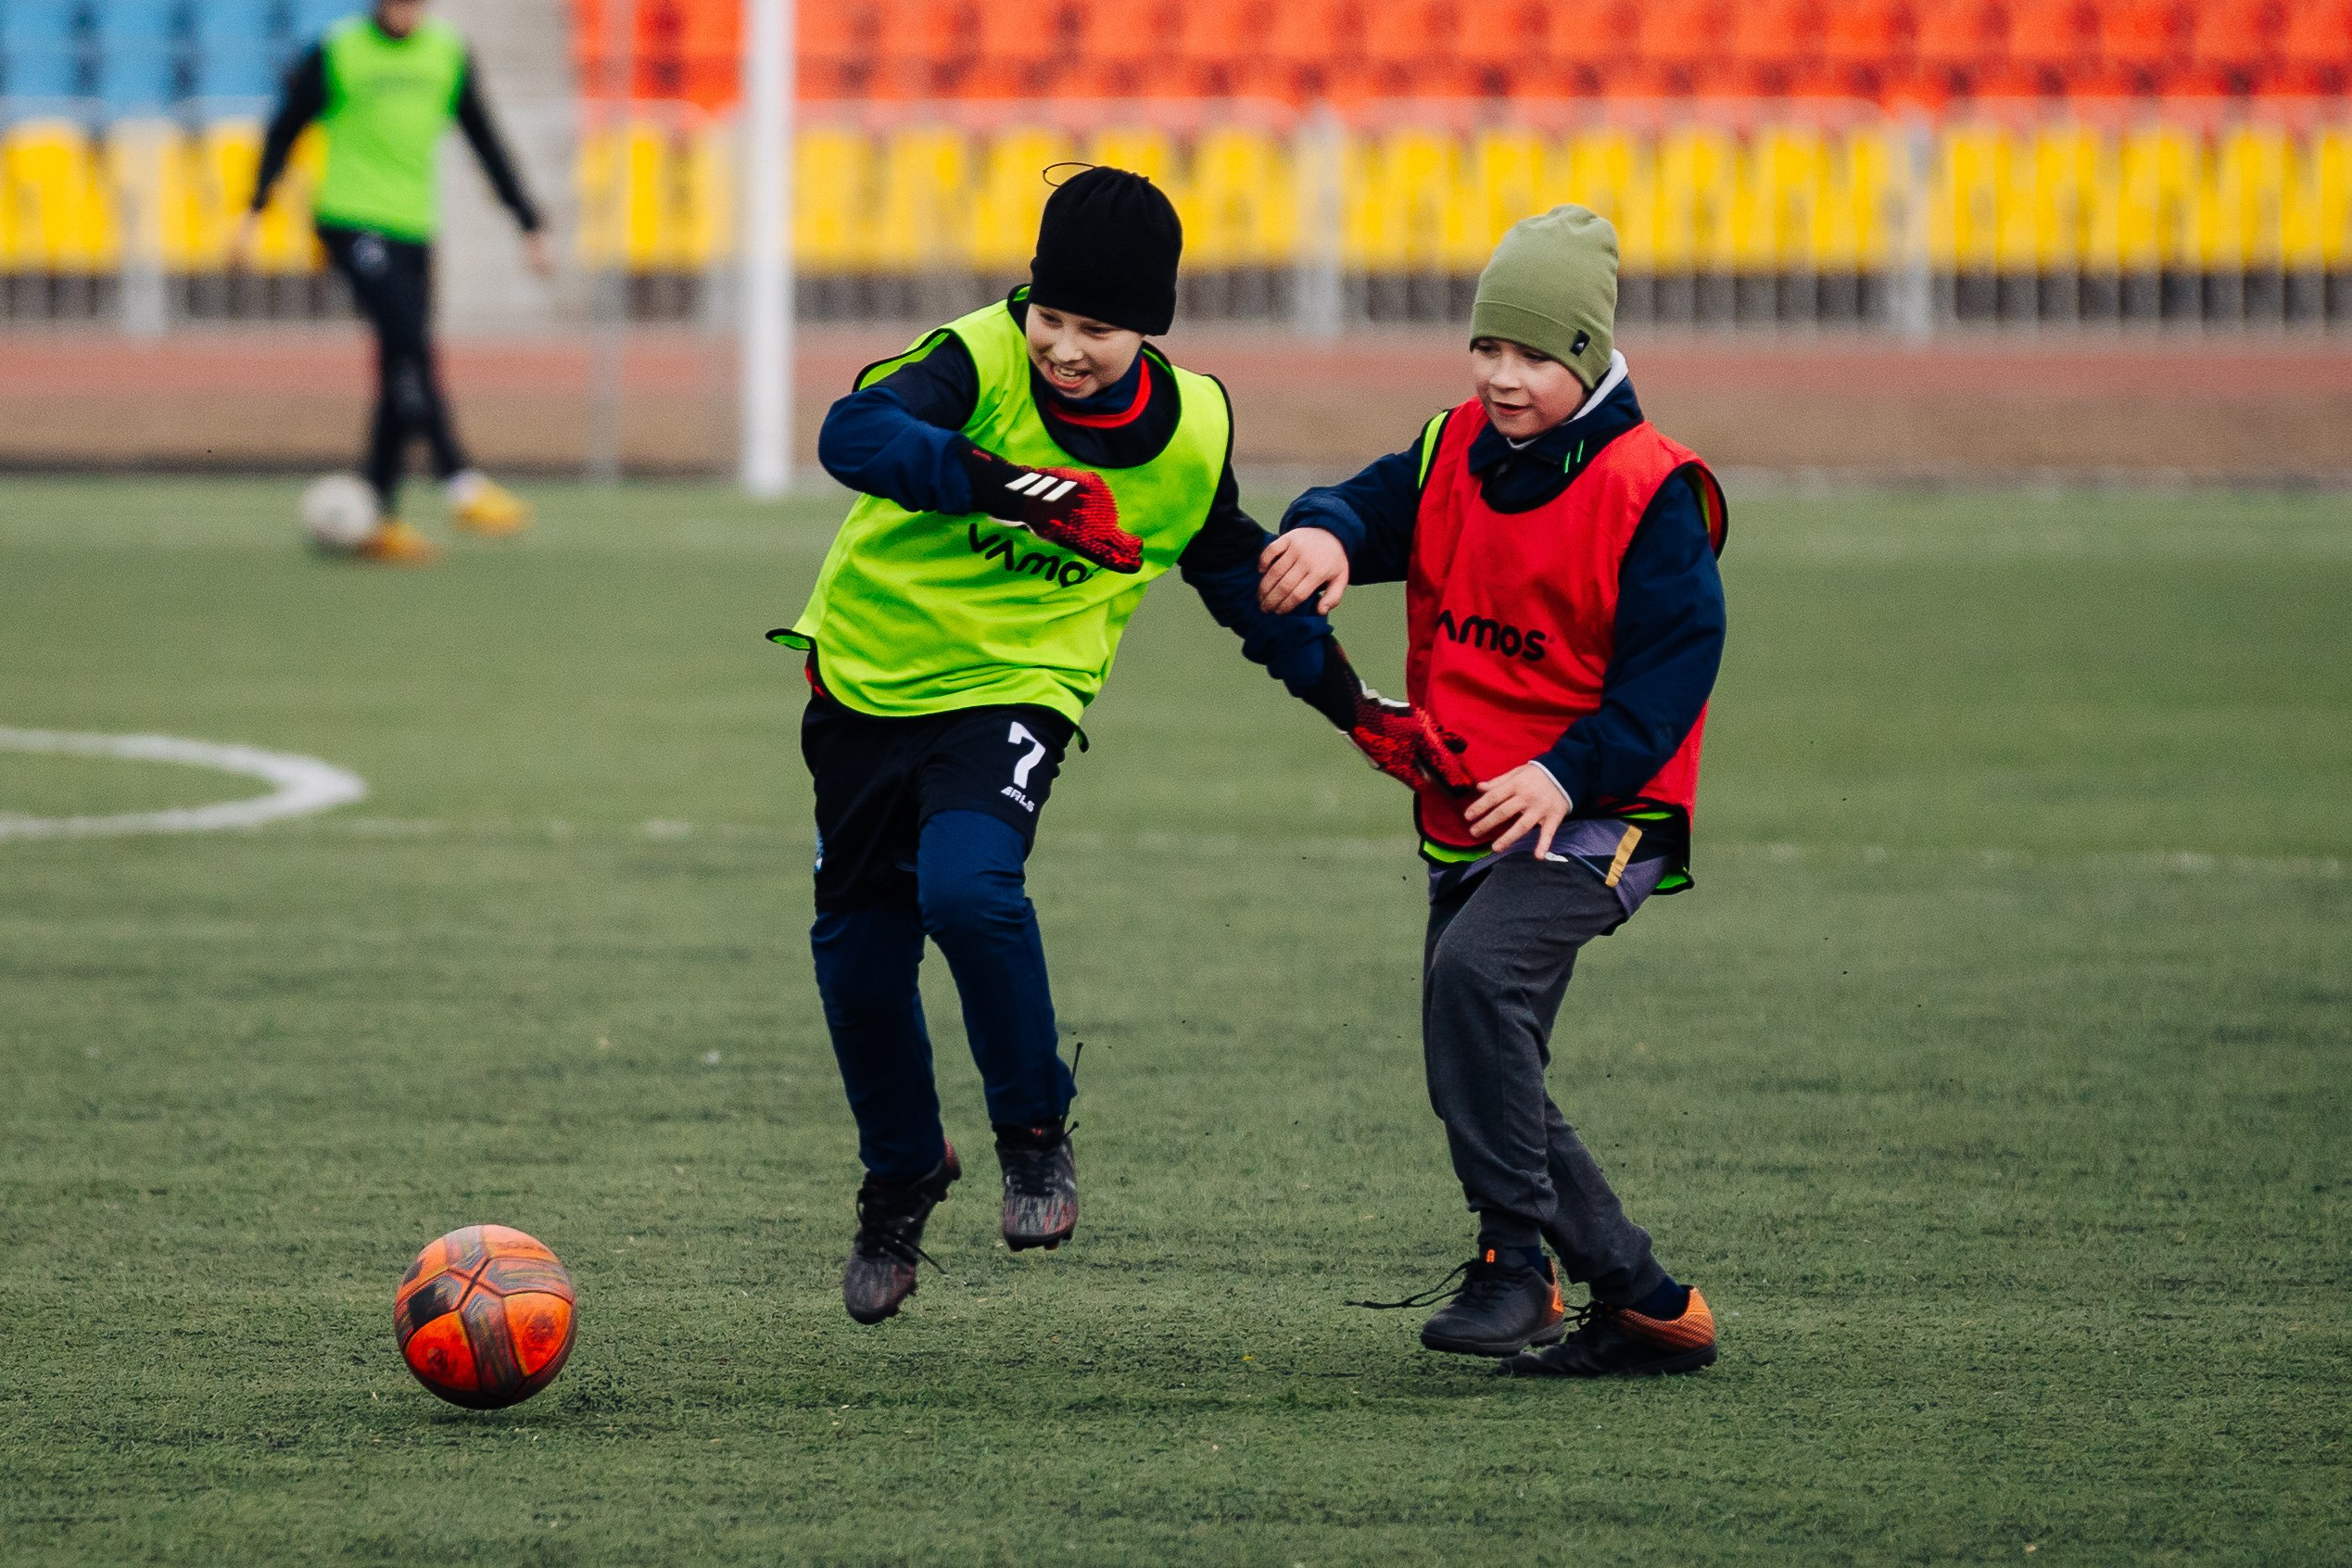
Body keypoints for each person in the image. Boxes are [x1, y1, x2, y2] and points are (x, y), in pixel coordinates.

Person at [772, 167, 1335, 1325]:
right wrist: (1010, 486)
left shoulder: (1194, 432)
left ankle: (1033, 1132)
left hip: (1018, 691)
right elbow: (853, 433)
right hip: (868, 681)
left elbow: (1232, 573)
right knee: (860, 962)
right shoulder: (975, 358)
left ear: (1151, 328)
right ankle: (902, 1176)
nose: (1064, 348)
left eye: (1098, 328)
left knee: (970, 891)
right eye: (1052, 316)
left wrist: (1353, 703)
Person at [1258, 205, 1730, 1376]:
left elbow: (1667, 690)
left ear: (1586, 356)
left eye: (1532, 356)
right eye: (1488, 349)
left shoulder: (1652, 489)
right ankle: (1633, 1297)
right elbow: (1364, 507)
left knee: (1474, 989)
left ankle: (1524, 1270)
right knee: (1472, 1048)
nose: (1503, 378)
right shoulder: (1450, 447)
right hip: (1474, 803)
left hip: (1606, 813)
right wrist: (1322, 534)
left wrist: (1564, 776)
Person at [234, 0, 550, 564]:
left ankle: (379, 514)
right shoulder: (338, 52)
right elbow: (285, 128)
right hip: (350, 219)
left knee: (398, 364)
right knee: (410, 342)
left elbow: (485, 139)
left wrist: (526, 222)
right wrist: (255, 208)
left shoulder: (447, 53)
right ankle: (459, 479)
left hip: (414, 227)